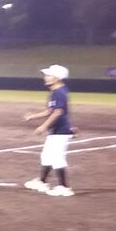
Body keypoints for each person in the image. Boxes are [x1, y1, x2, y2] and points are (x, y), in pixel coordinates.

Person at [23, 64, 75, 197]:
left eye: (48, 75)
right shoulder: (57, 91)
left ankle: (64, 187)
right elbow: (50, 111)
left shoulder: (59, 93)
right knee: (46, 156)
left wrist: (44, 126)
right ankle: (42, 182)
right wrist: (33, 116)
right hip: (56, 131)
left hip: (60, 131)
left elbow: (58, 112)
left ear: (57, 78)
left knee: (57, 158)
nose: (45, 77)